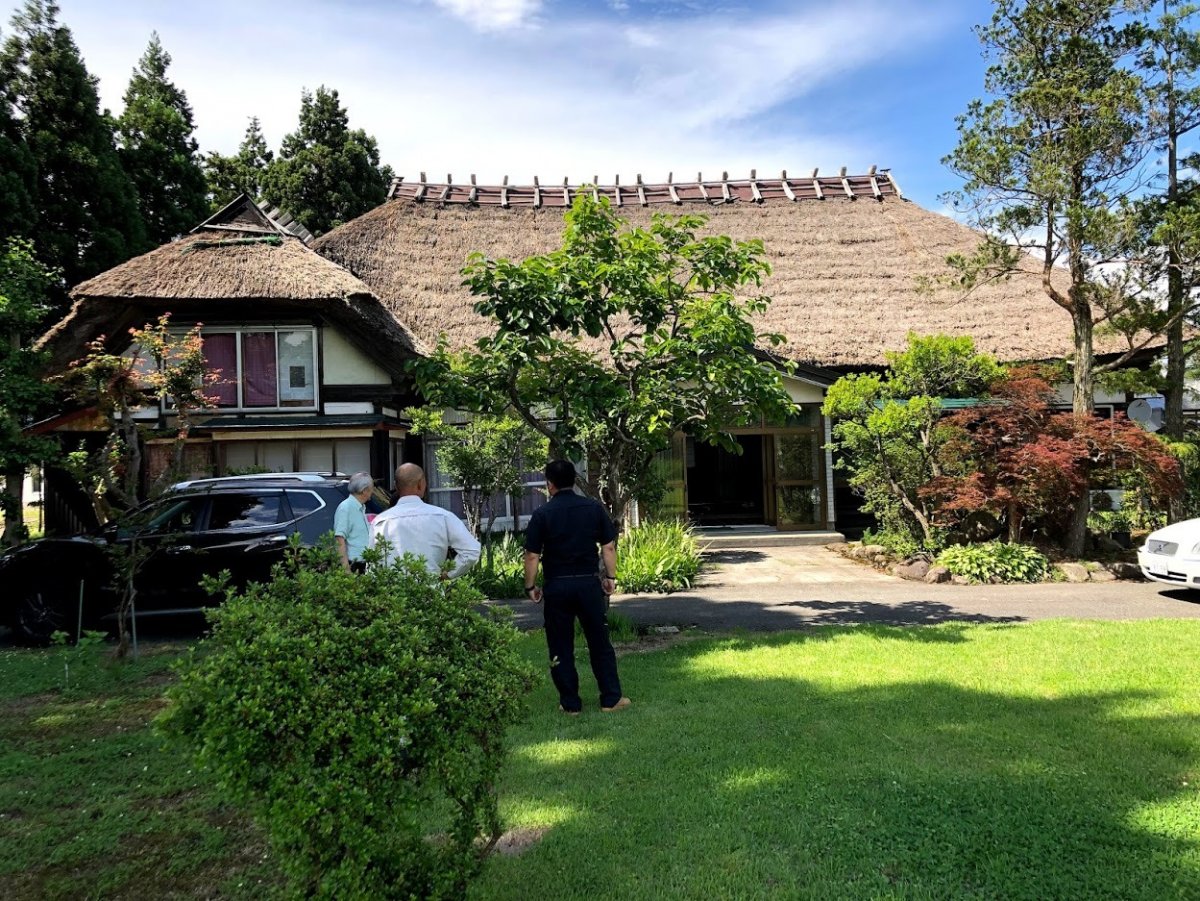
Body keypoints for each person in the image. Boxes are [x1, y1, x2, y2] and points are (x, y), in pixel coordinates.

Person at [524, 459, 630, 715]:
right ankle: (610, 699)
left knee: (560, 645)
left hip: (557, 586)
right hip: (587, 584)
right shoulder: (593, 508)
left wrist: (531, 586)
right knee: (599, 642)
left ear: (549, 484)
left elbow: (532, 555)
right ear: (573, 481)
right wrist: (611, 577)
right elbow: (608, 547)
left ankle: (570, 703)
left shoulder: (542, 514)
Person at [370, 462, 481, 578]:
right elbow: (471, 551)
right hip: (431, 586)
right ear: (421, 484)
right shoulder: (443, 517)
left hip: (392, 587)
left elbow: (372, 564)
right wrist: (448, 574)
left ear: (396, 486)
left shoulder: (380, 522)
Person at [334, 472, 374, 574]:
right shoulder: (346, 508)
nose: (372, 492)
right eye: (371, 488)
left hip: (365, 564)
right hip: (354, 564)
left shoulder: (361, 507)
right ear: (364, 490)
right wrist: (346, 570)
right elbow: (339, 540)